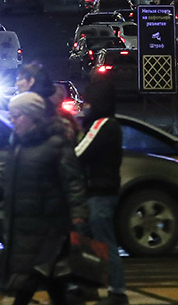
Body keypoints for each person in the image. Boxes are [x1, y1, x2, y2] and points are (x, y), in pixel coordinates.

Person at [0, 93, 87, 305]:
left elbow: (73, 182)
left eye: (17, 115)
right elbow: (6, 177)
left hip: (48, 226)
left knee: (28, 278)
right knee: (51, 278)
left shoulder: (56, 145)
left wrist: (78, 213)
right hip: (24, 224)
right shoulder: (19, 145)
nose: (12, 120)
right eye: (11, 115)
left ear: (33, 117)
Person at [75, 80, 127, 305]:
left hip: (99, 191)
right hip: (99, 190)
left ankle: (117, 292)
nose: (85, 105)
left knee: (103, 241)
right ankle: (88, 287)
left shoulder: (102, 124)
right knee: (86, 239)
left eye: (88, 101)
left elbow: (79, 153)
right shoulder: (108, 124)